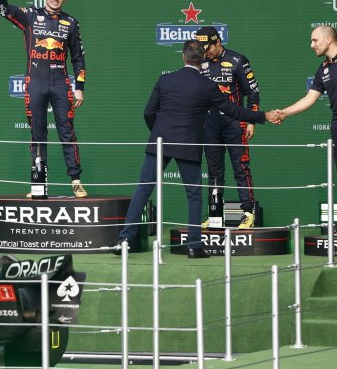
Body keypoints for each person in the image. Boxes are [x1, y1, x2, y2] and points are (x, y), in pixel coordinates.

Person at [116, 40, 279, 259]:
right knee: (193, 196)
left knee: (143, 189)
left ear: (183, 57)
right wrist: (264, 116)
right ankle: (194, 247)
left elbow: (148, 112)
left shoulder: (165, 79)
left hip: (160, 142)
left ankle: (124, 241)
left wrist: (160, 134)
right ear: (202, 59)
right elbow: (233, 111)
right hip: (188, 144)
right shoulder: (207, 86)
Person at [0, 0, 88, 197]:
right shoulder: (30, 15)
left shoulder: (71, 23)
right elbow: (2, 9)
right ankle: (38, 185)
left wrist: (79, 86)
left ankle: (76, 181)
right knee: (38, 134)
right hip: (34, 82)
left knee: (67, 131)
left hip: (61, 83)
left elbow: (78, 58)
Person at [197, 26, 261, 229]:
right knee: (214, 171)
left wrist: (251, 120)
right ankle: (215, 216)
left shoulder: (238, 60)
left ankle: (248, 214)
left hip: (235, 122)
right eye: (202, 49)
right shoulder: (200, 63)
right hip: (210, 123)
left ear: (218, 42)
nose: (206, 53)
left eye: (208, 48)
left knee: (241, 168)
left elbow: (253, 92)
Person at [279, 26, 337, 158]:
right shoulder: (323, 69)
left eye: (315, 40)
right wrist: (284, 113)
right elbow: (309, 98)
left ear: (328, 39)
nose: (312, 45)